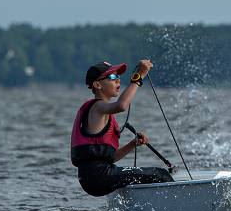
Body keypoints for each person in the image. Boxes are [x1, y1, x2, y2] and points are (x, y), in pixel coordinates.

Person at [70, 59, 174, 196]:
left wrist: (132, 144)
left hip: (93, 178)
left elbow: (111, 157)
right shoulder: (97, 107)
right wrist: (139, 77)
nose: (118, 80)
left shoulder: (101, 112)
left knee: (148, 176)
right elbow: (121, 105)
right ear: (97, 84)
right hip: (98, 176)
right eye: (112, 77)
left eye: (118, 76)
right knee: (160, 175)